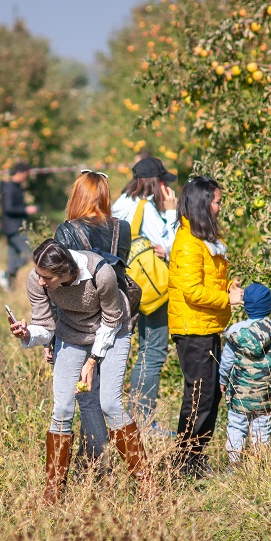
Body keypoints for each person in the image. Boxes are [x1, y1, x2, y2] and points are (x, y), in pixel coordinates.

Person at [9, 239, 148, 503]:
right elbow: (46, 325)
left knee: (109, 403)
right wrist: (28, 332)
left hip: (113, 330)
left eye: (46, 277)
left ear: (64, 272)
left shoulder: (101, 274)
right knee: (61, 409)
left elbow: (112, 318)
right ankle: (53, 493)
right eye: (38, 274)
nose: (40, 281)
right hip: (71, 333)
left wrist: (93, 360)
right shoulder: (36, 278)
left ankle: (146, 485)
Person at [54, 170, 132, 465]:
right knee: (107, 397)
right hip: (114, 314)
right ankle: (96, 461)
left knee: (86, 395)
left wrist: (53, 339)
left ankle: (93, 461)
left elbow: (62, 282)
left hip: (80, 317)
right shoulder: (122, 228)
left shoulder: (66, 230)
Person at [167, 176, 242, 478]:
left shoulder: (202, 241)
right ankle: (185, 462)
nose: (220, 207)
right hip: (192, 328)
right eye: (217, 201)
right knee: (200, 395)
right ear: (202, 203)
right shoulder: (187, 243)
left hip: (207, 325)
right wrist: (227, 298)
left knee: (210, 395)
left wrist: (227, 287)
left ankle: (194, 459)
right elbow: (192, 291)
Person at [111, 157, 178, 435]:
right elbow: (172, 248)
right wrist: (172, 212)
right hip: (150, 288)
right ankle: (144, 420)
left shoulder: (120, 203)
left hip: (122, 285)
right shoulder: (145, 208)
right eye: (164, 182)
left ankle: (134, 417)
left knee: (136, 350)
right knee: (153, 350)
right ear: (156, 183)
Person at [218, 283, 271, 464]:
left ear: (245, 305)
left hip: (240, 393)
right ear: (270, 307)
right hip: (267, 393)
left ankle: (234, 465)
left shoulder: (236, 332)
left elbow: (226, 362)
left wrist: (223, 380)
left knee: (237, 425)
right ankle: (259, 463)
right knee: (262, 426)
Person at [0, 161, 38, 291]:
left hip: (13, 227)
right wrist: (26, 210)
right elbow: (8, 208)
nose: (26, 177)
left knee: (13, 258)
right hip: (14, 228)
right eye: (26, 174)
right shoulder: (9, 188)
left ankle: (8, 288)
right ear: (20, 173)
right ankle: (6, 274)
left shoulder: (16, 187)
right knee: (29, 255)